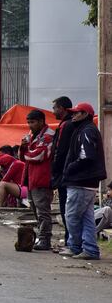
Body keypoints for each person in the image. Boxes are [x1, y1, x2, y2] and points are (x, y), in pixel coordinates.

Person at [59, 102, 106, 260]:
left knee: (71, 215)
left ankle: (75, 246)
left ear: (85, 114)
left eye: (76, 113)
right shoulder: (87, 129)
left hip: (81, 181)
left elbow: (86, 156)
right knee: (87, 217)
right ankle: (90, 249)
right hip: (88, 182)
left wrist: (70, 169)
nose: (73, 115)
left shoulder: (86, 131)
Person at [20, 109, 55, 251]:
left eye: (32, 122)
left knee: (43, 211)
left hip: (42, 178)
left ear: (41, 121)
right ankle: (42, 237)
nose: (30, 125)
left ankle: (45, 239)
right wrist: (24, 149)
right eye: (28, 122)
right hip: (32, 178)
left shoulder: (48, 136)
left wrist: (25, 149)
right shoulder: (33, 135)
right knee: (35, 209)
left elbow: (38, 155)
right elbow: (24, 156)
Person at [51, 96, 75, 244]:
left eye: (55, 108)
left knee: (66, 208)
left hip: (64, 174)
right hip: (66, 172)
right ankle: (69, 240)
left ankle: (69, 240)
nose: (53, 111)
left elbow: (60, 151)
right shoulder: (67, 125)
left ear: (63, 108)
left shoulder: (66, 126)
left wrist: (55, 170)